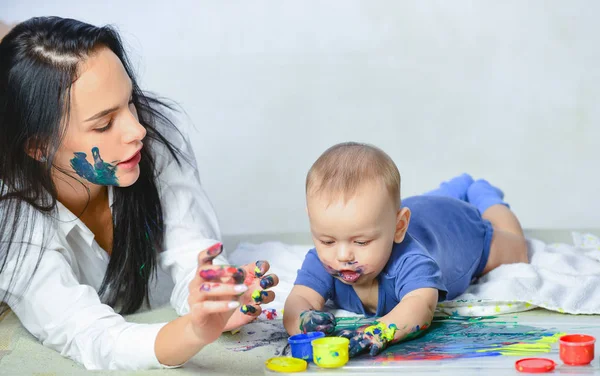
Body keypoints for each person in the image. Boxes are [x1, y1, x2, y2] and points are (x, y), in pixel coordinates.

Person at [0, 16, 279, 370]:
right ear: (38, 147)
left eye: (130, 101)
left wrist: (212, 296)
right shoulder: (9, 219)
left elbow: (191, 250)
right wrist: (193, 331)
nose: (138, 129)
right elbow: (87, 334)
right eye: (103, 124)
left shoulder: (157, 135)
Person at [283, 142, 528, 357]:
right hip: (420, 212)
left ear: (398, 228)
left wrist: (381, 331)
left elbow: (420, 306)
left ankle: (479, 191)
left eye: (361, 242)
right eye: (327, 240)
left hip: (457, 227)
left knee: (517, 247)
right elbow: (299, 300)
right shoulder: (324, 260)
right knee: (422, 202)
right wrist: (303, 320)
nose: (343, 256)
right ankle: (455, 186)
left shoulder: (411, 261)